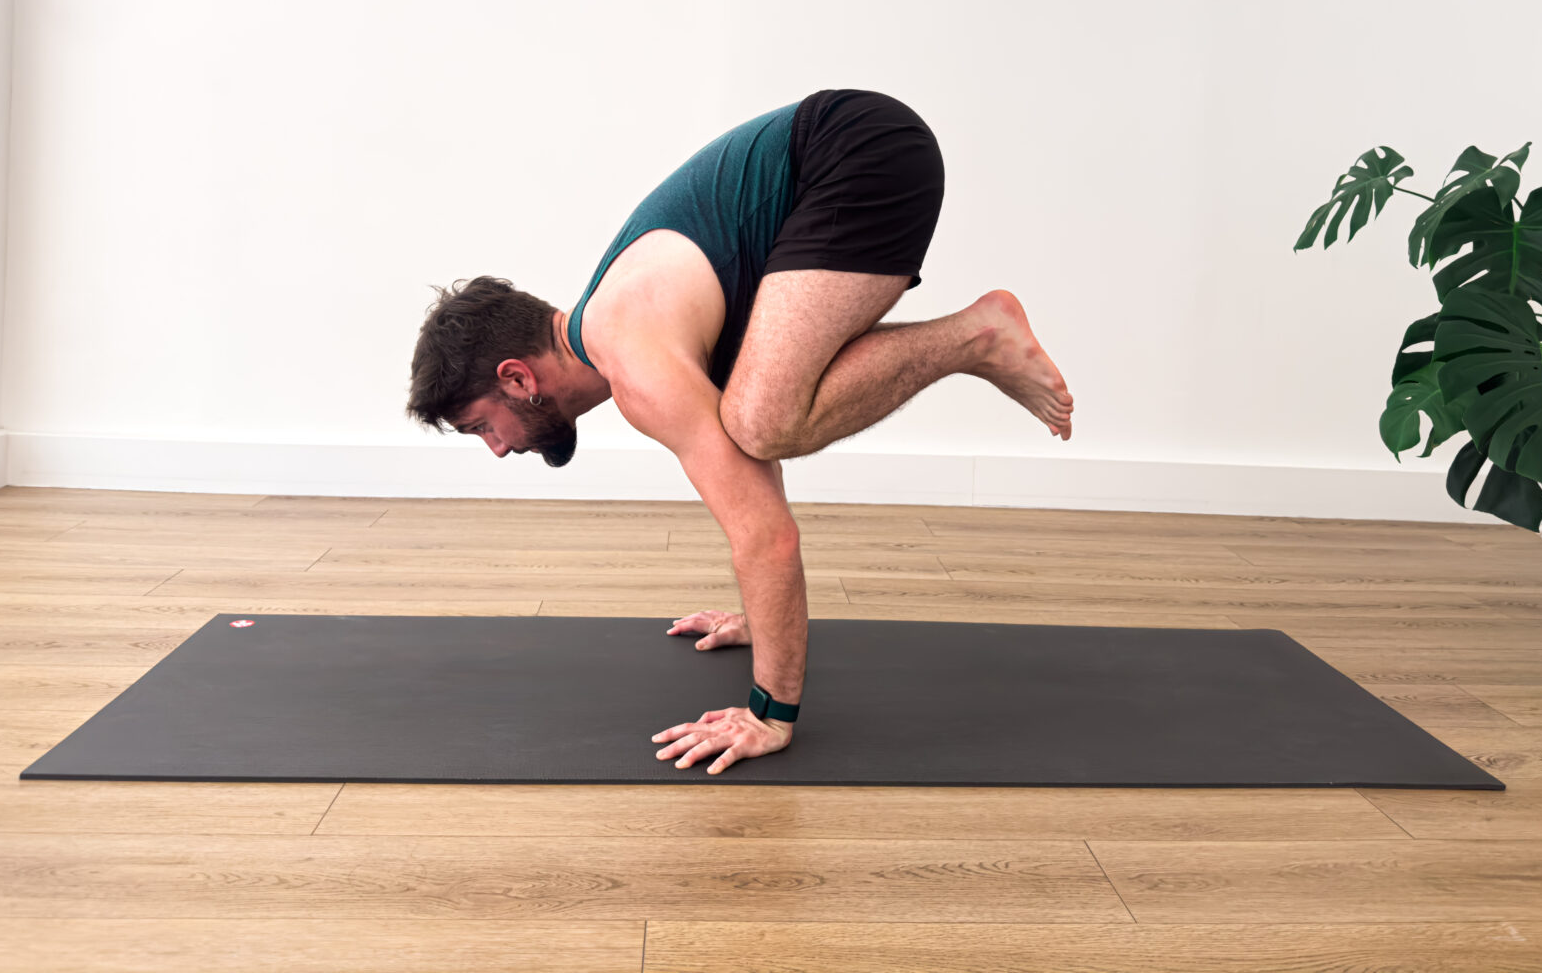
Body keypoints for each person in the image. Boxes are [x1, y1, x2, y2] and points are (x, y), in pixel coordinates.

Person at [406, 89, 1072, 774]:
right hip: (847, 150)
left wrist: (769, 710)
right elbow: (754, 485)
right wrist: (761, 620)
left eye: (483, 426)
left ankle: (980, 336)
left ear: (517, 378)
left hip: (857, 152)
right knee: (755, 415)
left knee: (763, 420)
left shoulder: (634, 360)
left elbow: (767, 535)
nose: (499, 447)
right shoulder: (635, 325)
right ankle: (977, 337)